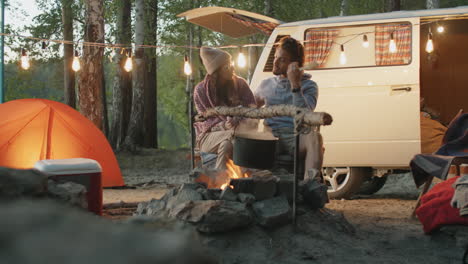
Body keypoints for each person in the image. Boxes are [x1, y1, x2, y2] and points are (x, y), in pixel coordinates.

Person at [254, 36, 323, 180]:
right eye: (275, 57)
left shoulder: (309, 86)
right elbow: (250, 108)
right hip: (271, 135)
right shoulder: (266, 84)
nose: (275, 62)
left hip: (296, 135)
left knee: (315, 138)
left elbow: (305, 114)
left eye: (282, 59)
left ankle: (310, 184)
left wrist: (295, 84)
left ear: (294, 64)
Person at [194, 47, 256, 170]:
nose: (232, 67)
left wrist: (238, 119)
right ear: (216, 72)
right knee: (236, 136)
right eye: (227, 66)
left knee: (228, 145)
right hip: (208, 136)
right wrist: (224, 126)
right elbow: (204, 120)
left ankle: (220, 181)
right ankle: (249, 174)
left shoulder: (240, 84)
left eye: (231, 63)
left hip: (237, 132)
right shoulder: (200, 91)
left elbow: (252, 108)